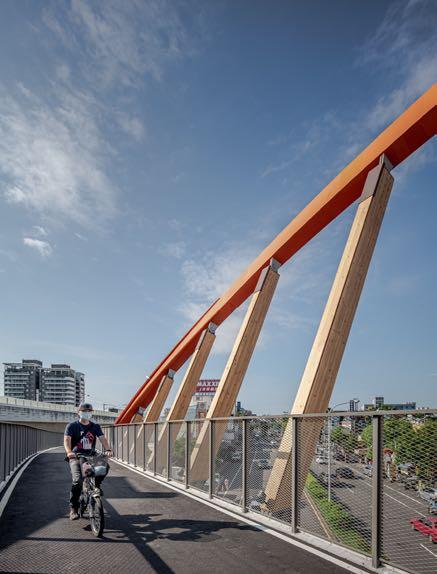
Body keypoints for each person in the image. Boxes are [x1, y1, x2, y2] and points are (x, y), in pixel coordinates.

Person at [64, 402, 113, 520]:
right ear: (78, 413)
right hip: (76, 456)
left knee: (105, 467)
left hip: (91, 455)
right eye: (84, 411)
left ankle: (97, 485)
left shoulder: (95, 426)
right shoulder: (72, 426)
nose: (87, 413)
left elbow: (102, 438)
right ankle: (73, 508)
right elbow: (67, 440)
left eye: (89, 411)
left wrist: (108, 449)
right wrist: (69, 452)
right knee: (77, 481)